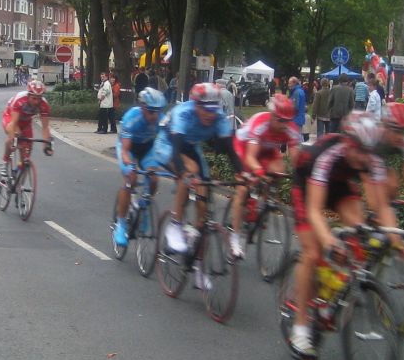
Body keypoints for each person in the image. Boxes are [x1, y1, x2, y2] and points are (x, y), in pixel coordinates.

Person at [286, 113, 393, 359]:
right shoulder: (327, 155)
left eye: (369, 152)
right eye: (360, 151)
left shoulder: (371, 158)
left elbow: (381, 207)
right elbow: (314, 210)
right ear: (347, 143)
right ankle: (300, 327)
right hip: (307, 184)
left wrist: (393, 237)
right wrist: (328, 241)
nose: (365, 158)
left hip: (340, 186)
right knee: (313, 252)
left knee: (359, 232)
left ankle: (330, 291)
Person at [151, 83, 242, 277]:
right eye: (206, 109)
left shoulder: (219, 117)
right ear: (196, 105)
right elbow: (176, 152)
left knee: (204, 205)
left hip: (191, 146)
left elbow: (230, 151)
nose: (210, 114)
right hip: (168, 144)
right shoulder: (183, 113)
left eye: (213, 109)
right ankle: (175, 225)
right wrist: (185, 175)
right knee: (190, 173)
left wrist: (243, 174)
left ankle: (198, 263)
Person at [227, 94, 301, 259]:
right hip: (244, 147)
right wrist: (258, 172)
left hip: (267, 150)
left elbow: (296, 160)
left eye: (288, 121)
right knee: (243, 188)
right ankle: (235, 238)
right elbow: (250, 158)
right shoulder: (261, 123)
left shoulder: (291, 129)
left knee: (279, 169)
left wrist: (300, 177)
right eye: (281, 120)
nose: (284, 125)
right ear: (272, 115)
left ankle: (265, 203)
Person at [112, 87, 167, 248]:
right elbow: (125, 151)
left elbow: (165, 145)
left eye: (158, 111)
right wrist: (131, 166)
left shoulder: (161, 119)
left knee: (154, 178)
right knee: (131, 178)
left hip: (147, 148)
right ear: (142, 107)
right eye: (151, 111)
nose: (154, 115)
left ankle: (144, 206)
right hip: (128, 148)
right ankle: (121, 224)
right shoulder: (132, 117)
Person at [0, 80, 54, 177]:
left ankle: (19, 174)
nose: (36, 102)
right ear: (28, 95)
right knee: (15, 136)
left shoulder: (44, 105)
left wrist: (46, 144)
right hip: (11, 118)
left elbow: (45, 127)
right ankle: (5, 162)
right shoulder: (20, 100)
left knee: (26, 153)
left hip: (26, 122)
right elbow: (13, 123)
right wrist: (13, 140)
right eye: (34, 98)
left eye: (39, 98)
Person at [288, 76, 308, 141]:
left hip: (295, 119)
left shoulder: (296, 92)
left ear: (294, 83)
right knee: (298, 137)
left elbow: (295, 107)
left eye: (290, 83)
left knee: (295, 139)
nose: (288, 85)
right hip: (300, 118)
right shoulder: (301, 91)